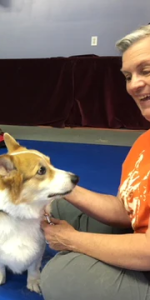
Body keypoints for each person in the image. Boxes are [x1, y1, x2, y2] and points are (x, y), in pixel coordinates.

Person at [40, 24, 150, 300]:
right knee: (63, 205)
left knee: (61, 276)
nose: (134, 84)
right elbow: (128, 212)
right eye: (127, 76)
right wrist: (62, 185)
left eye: (146, 70)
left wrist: (73, 241)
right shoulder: (143, 142)